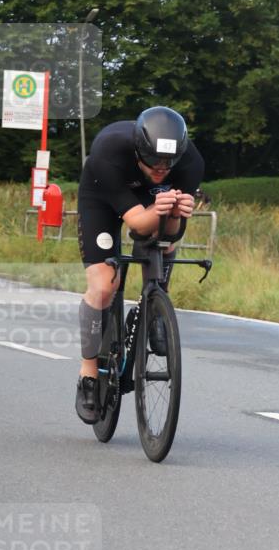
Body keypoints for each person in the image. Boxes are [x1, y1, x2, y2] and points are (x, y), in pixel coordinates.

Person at [75, 106, 204, 423]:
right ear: (138, 150)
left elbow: (169, 233)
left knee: (166, 241)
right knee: (104, 287)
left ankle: (155, 307)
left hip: (152, 201)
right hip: (103, 197)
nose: (162, 168)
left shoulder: (190, 164)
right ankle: (89, 374)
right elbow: (137, 224)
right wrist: (160, 210)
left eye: (168, 162)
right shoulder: (109, 153)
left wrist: (175, 212)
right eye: (154, 160)